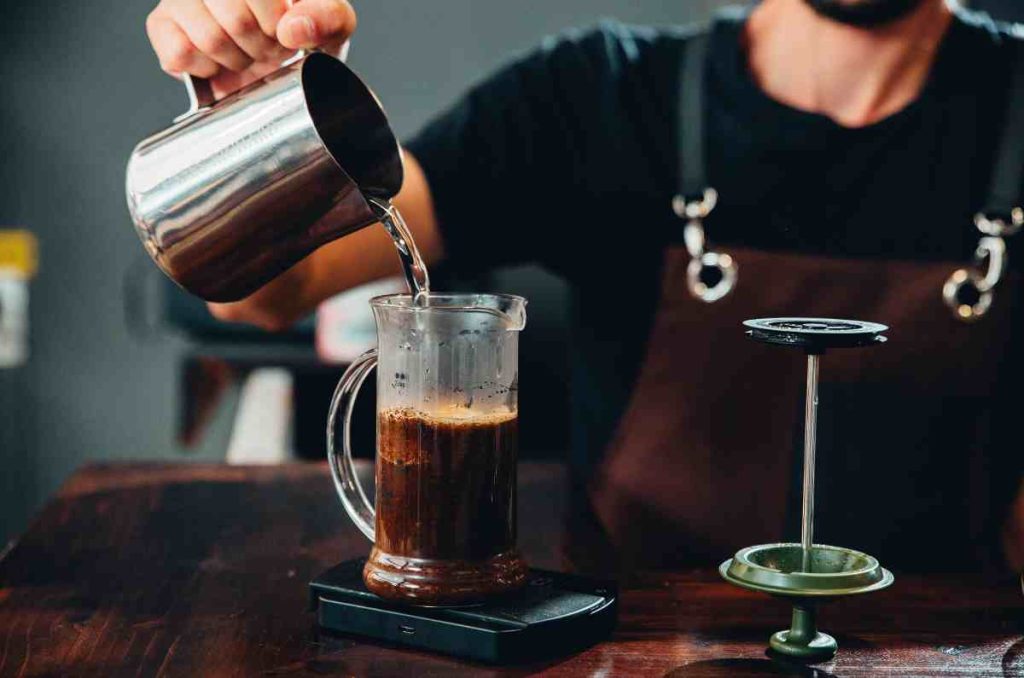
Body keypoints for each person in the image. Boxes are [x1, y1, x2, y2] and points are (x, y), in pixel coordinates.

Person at [146, 0, 1024, 572]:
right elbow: (267, 294)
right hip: (630, 648)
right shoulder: (592, 99)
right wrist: (261, 130)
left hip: (952, 652)